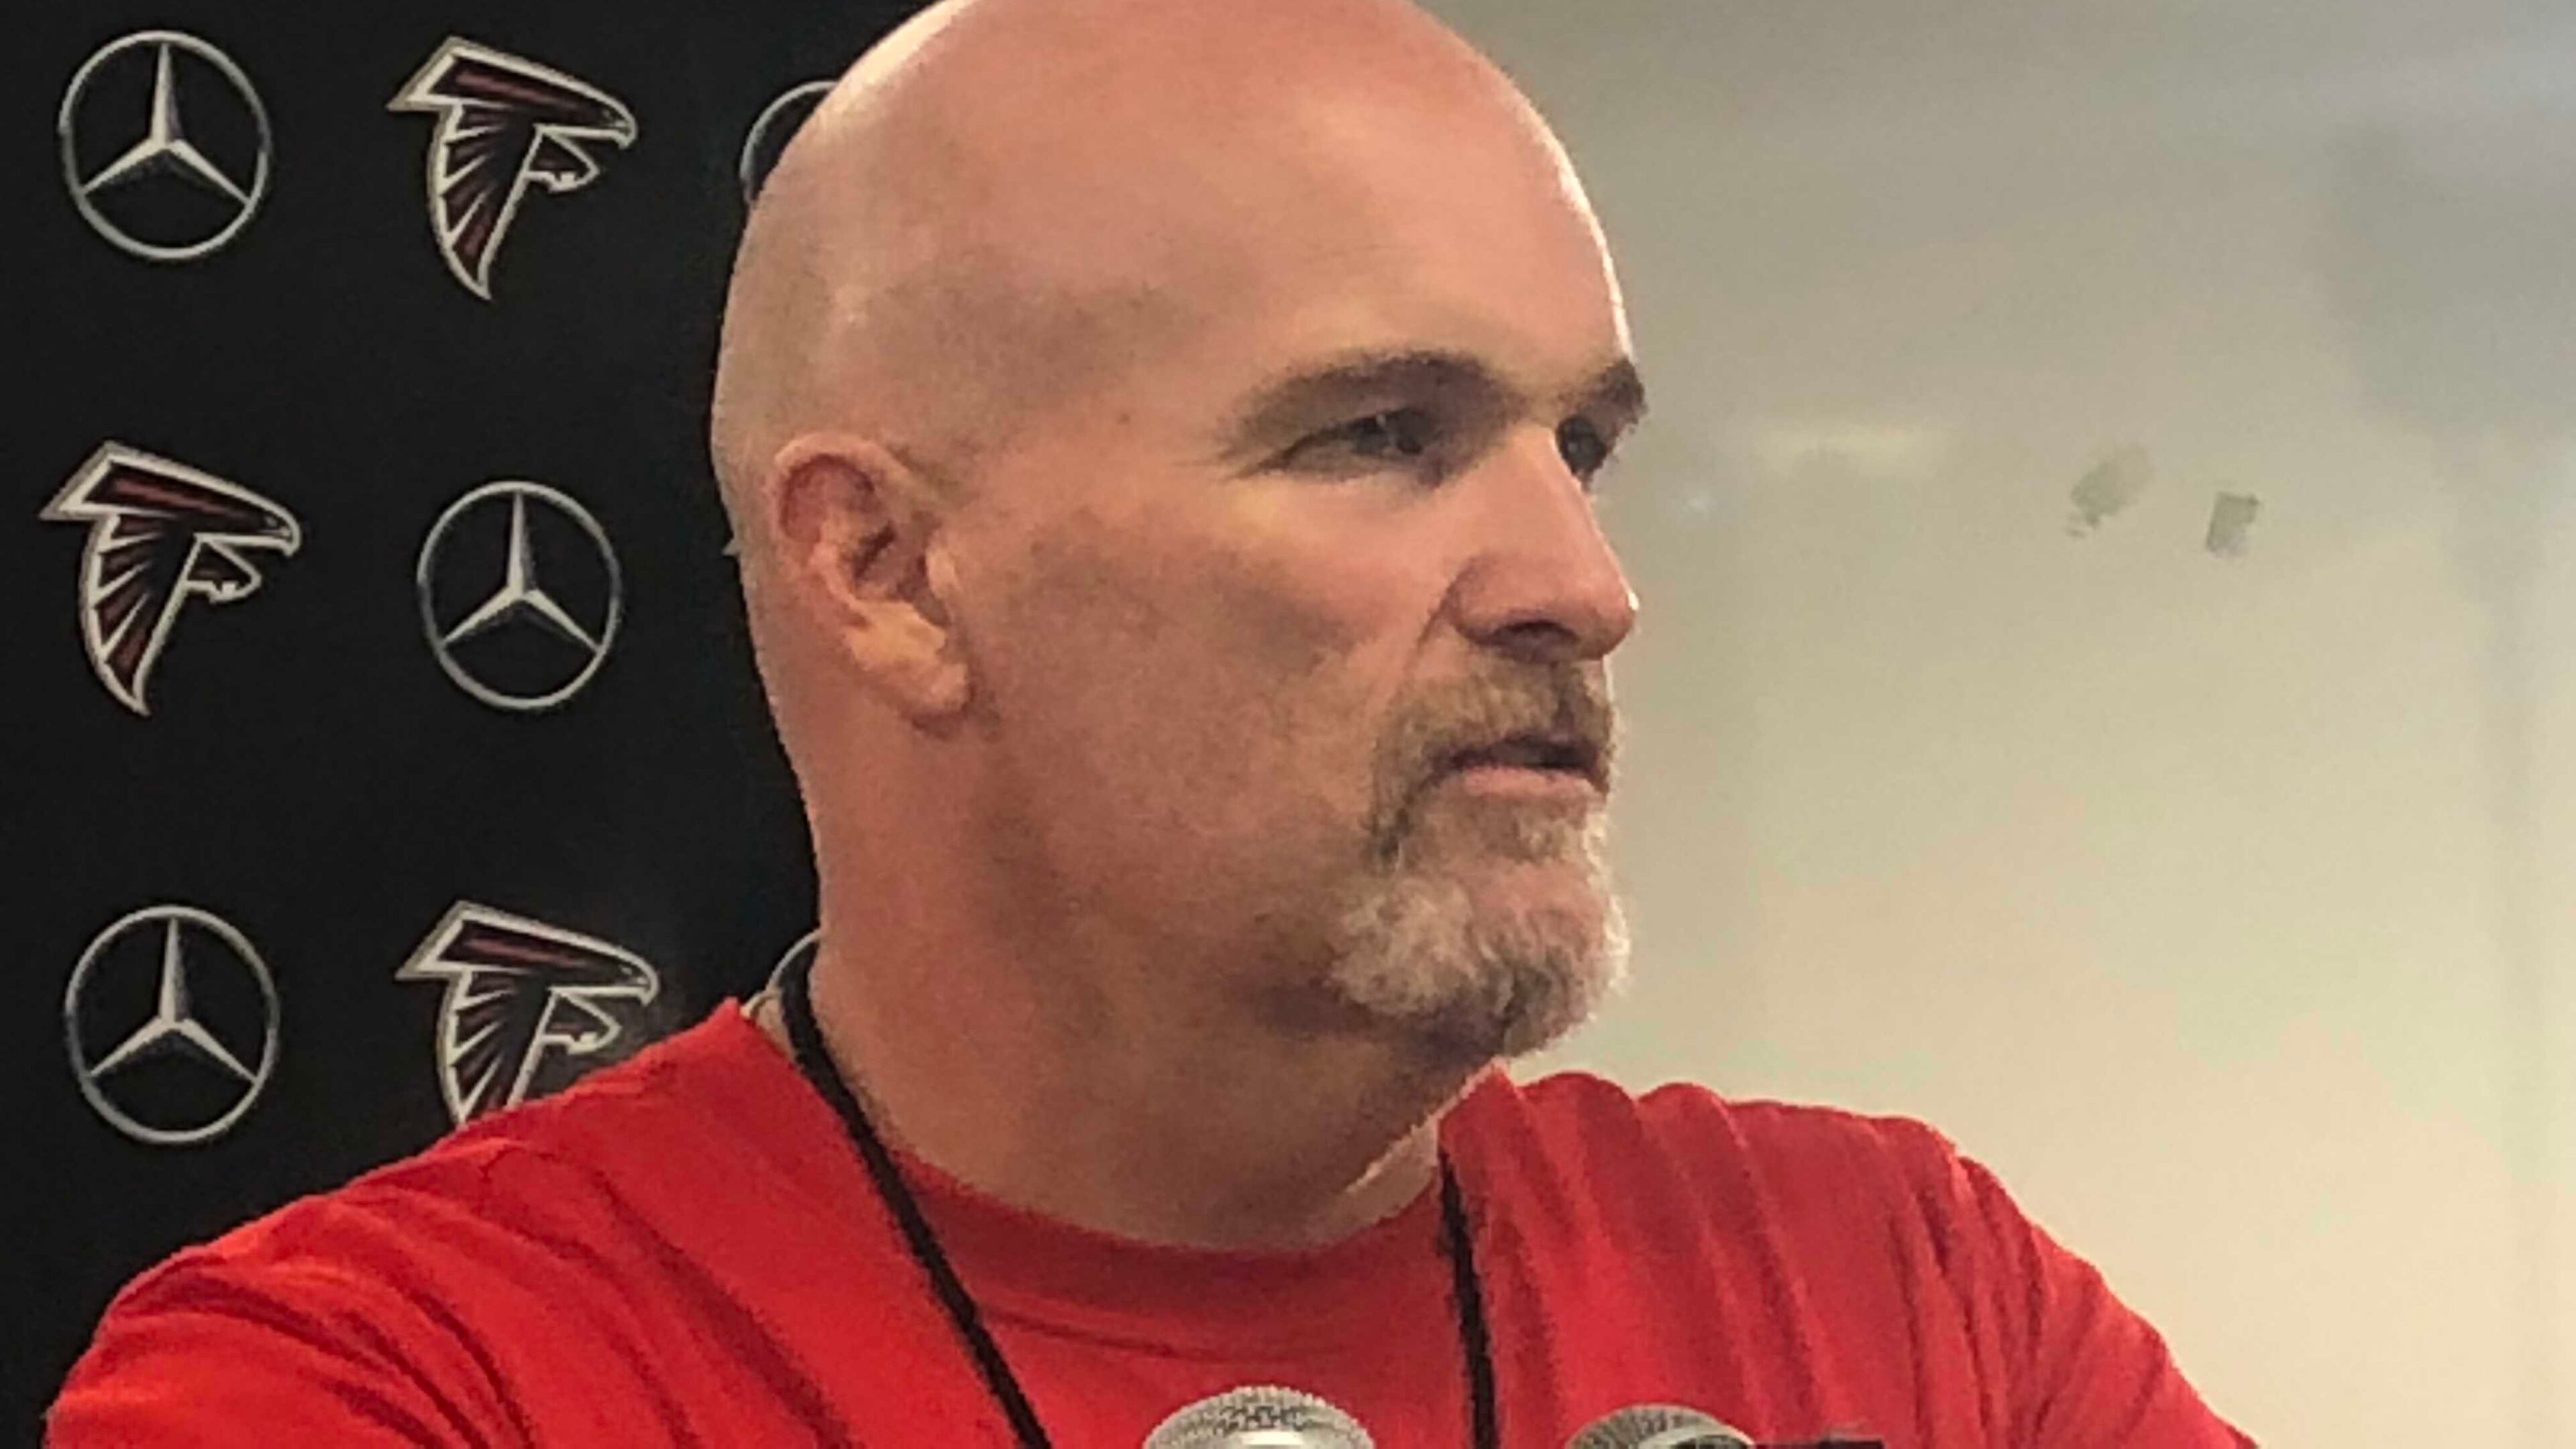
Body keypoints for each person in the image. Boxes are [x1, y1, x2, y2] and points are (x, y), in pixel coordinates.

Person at [50, 0, 2255, 1444]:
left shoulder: (1909, 1304)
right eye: (1382, 433)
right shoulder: (388, 1386)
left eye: (1576, 446)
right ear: (889, 573)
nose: (1586, 587)